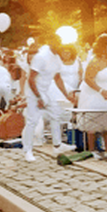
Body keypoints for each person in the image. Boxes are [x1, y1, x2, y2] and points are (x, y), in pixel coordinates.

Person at [22, 34, 74, 162]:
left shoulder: (56, 58)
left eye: (60, 42)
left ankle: (57, 145)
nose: (60, 45)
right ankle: (28, 150)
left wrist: (66, 94)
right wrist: (38, 97)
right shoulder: (40, 57)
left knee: (55, 114)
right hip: (34, 92)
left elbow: (57, 78)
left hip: (46, 91)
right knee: (32, 121)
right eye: (57, 42)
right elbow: (31, 78)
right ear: (51, 42)